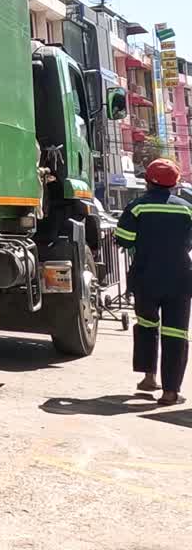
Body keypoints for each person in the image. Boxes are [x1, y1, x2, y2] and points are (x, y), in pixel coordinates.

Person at [115, 158, 190, 406]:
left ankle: (149, 378)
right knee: (176, 332)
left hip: (146, 277)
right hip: (180, 278)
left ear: (147, 182)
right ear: (175, 184)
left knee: (147, 325)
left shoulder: (137, 207)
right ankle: (170, 392)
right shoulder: (186, 209)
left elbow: (124, 239)